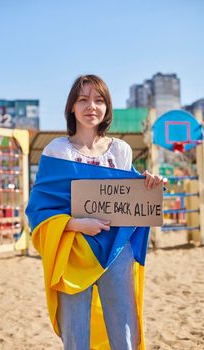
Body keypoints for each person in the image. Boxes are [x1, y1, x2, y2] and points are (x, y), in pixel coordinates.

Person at [26, 74, 163, 350]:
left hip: (116, 252)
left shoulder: (121, 150)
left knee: (123, 333)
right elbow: (39, 210)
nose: (92, 106)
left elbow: (131, 194)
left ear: (107, 107)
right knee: (76, 337)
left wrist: (151, 183)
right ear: (72, 108)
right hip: (73, 253)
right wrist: (77, 224)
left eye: (99, 100)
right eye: (83, 99)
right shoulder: (57, 151)